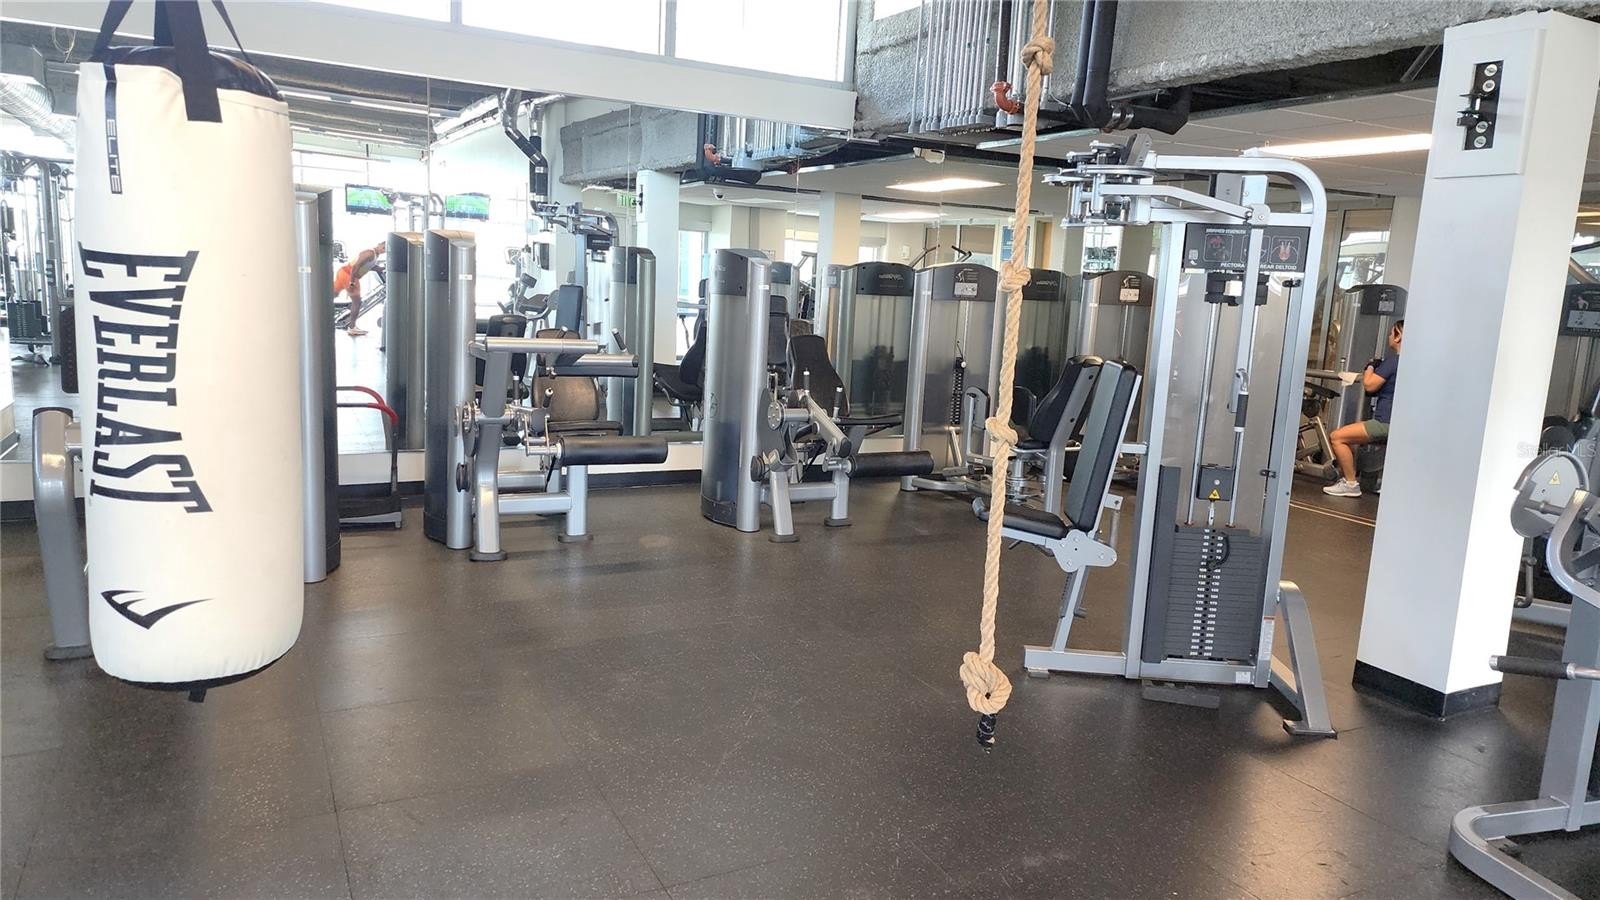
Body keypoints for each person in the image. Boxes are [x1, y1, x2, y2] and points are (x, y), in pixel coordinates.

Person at [1323, 320, 1402, 498]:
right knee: (1350, 437)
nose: (1389, 336)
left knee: (1337, 437)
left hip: (1385, 421)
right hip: (1399, 421)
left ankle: (1350, 483)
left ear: (1398, 337)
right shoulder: (1411, 363)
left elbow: (1369, 384)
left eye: (1392, 333)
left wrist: (1370, 366)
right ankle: (1350, 478)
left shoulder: (1393, 362)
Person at [333, 242, 384, 337]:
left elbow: (369, 266)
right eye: (383, 247)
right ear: (379, 244)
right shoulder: (370, 252)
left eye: (385, 249)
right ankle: (352, 327)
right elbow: (356, 266)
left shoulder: (374, 255)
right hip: (350, 275)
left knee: (333, 295)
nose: (383, 250)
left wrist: (381, 268)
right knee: (357, 302)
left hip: (344, 272)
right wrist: (352, 282)